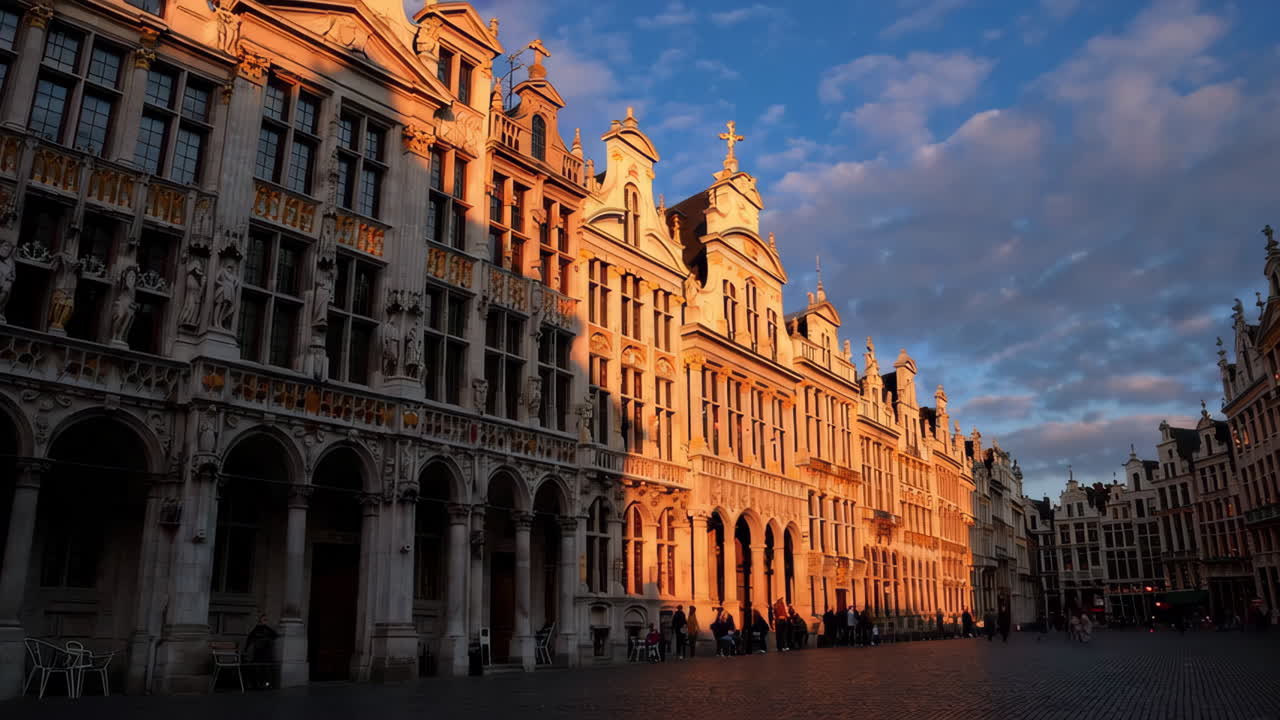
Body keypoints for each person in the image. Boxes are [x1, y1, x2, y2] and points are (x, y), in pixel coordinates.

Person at [244, 614, 278, 689]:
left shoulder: (268, 629)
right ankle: (258, 683)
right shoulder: (257, 629)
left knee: (265, 668)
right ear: (260, 620)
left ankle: (266, 684)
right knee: (258, 668)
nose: (264, 621)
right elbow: (249, 639)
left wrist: (268, 640)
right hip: (258, 653)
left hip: (266, 653)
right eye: (263, 619)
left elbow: (275, 635)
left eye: (265, 620)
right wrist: (246, 650)